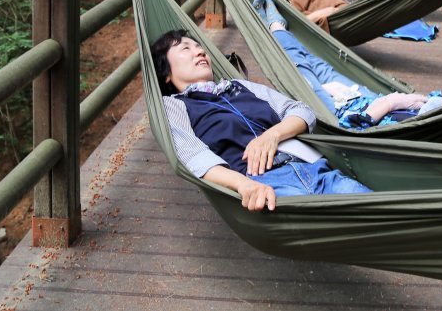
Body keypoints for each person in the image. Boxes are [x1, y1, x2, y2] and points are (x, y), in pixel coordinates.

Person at [151, 29, 372, 210]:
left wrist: (272, 136)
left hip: (316, 169)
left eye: (200, 47)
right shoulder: (175, 105)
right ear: (166, 74)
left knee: (382, 213)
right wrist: (244, 185)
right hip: (265, 186)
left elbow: (302, 111)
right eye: (186, 48)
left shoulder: (241, 86)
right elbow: (195, 157)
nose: (199, 52)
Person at [252, 0, 442, 127]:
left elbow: (360, 126)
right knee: (319, 65)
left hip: (339, 114)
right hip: (363, 97)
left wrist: (393, 102)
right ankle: (283, 31)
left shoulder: (437, 121)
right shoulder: (436, 105)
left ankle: (276, 27)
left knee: (301, 70)